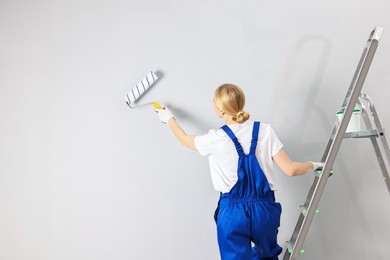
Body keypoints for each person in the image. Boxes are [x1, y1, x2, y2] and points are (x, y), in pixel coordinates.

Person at [154, 83, 323, 260]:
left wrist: (169, 118)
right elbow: (291, 169)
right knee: (267, 257)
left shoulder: (215, 138)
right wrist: (315, 165)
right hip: (264, 211)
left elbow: (184, 139)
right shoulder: (264, 131)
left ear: (220, 110)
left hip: (232, 212)